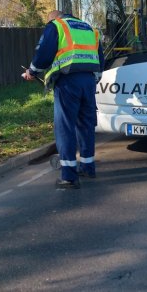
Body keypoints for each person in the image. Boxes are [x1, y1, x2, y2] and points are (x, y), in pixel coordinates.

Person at [22, 10, 104, 189]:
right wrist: (93, 79)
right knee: (86, 125)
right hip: (89, 81)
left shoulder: (56, 26)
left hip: (68, 82)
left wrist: (31, 72)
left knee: (65, 126)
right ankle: (88, 167)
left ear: (53, 18)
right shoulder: (90, 29)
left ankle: (68, 177)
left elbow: (44, 54)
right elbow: (100, 58)